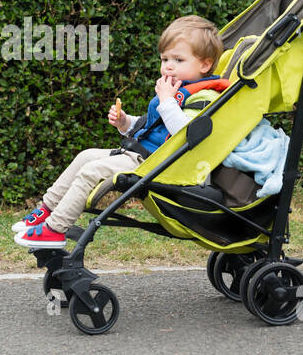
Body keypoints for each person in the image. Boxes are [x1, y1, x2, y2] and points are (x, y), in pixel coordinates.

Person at [13, 15, 224, 250]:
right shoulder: (176, 90)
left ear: (205, 64)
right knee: (85, 156)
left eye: (178, 59)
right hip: (142, 155)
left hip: (161, 166)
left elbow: (186, 137)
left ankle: (55, 229)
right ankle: (46, 209)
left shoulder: (205, 97)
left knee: (92, 171)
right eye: (164, 59)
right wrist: (125, 122)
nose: (168, 66)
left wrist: (166, 101)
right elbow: (152, 128)